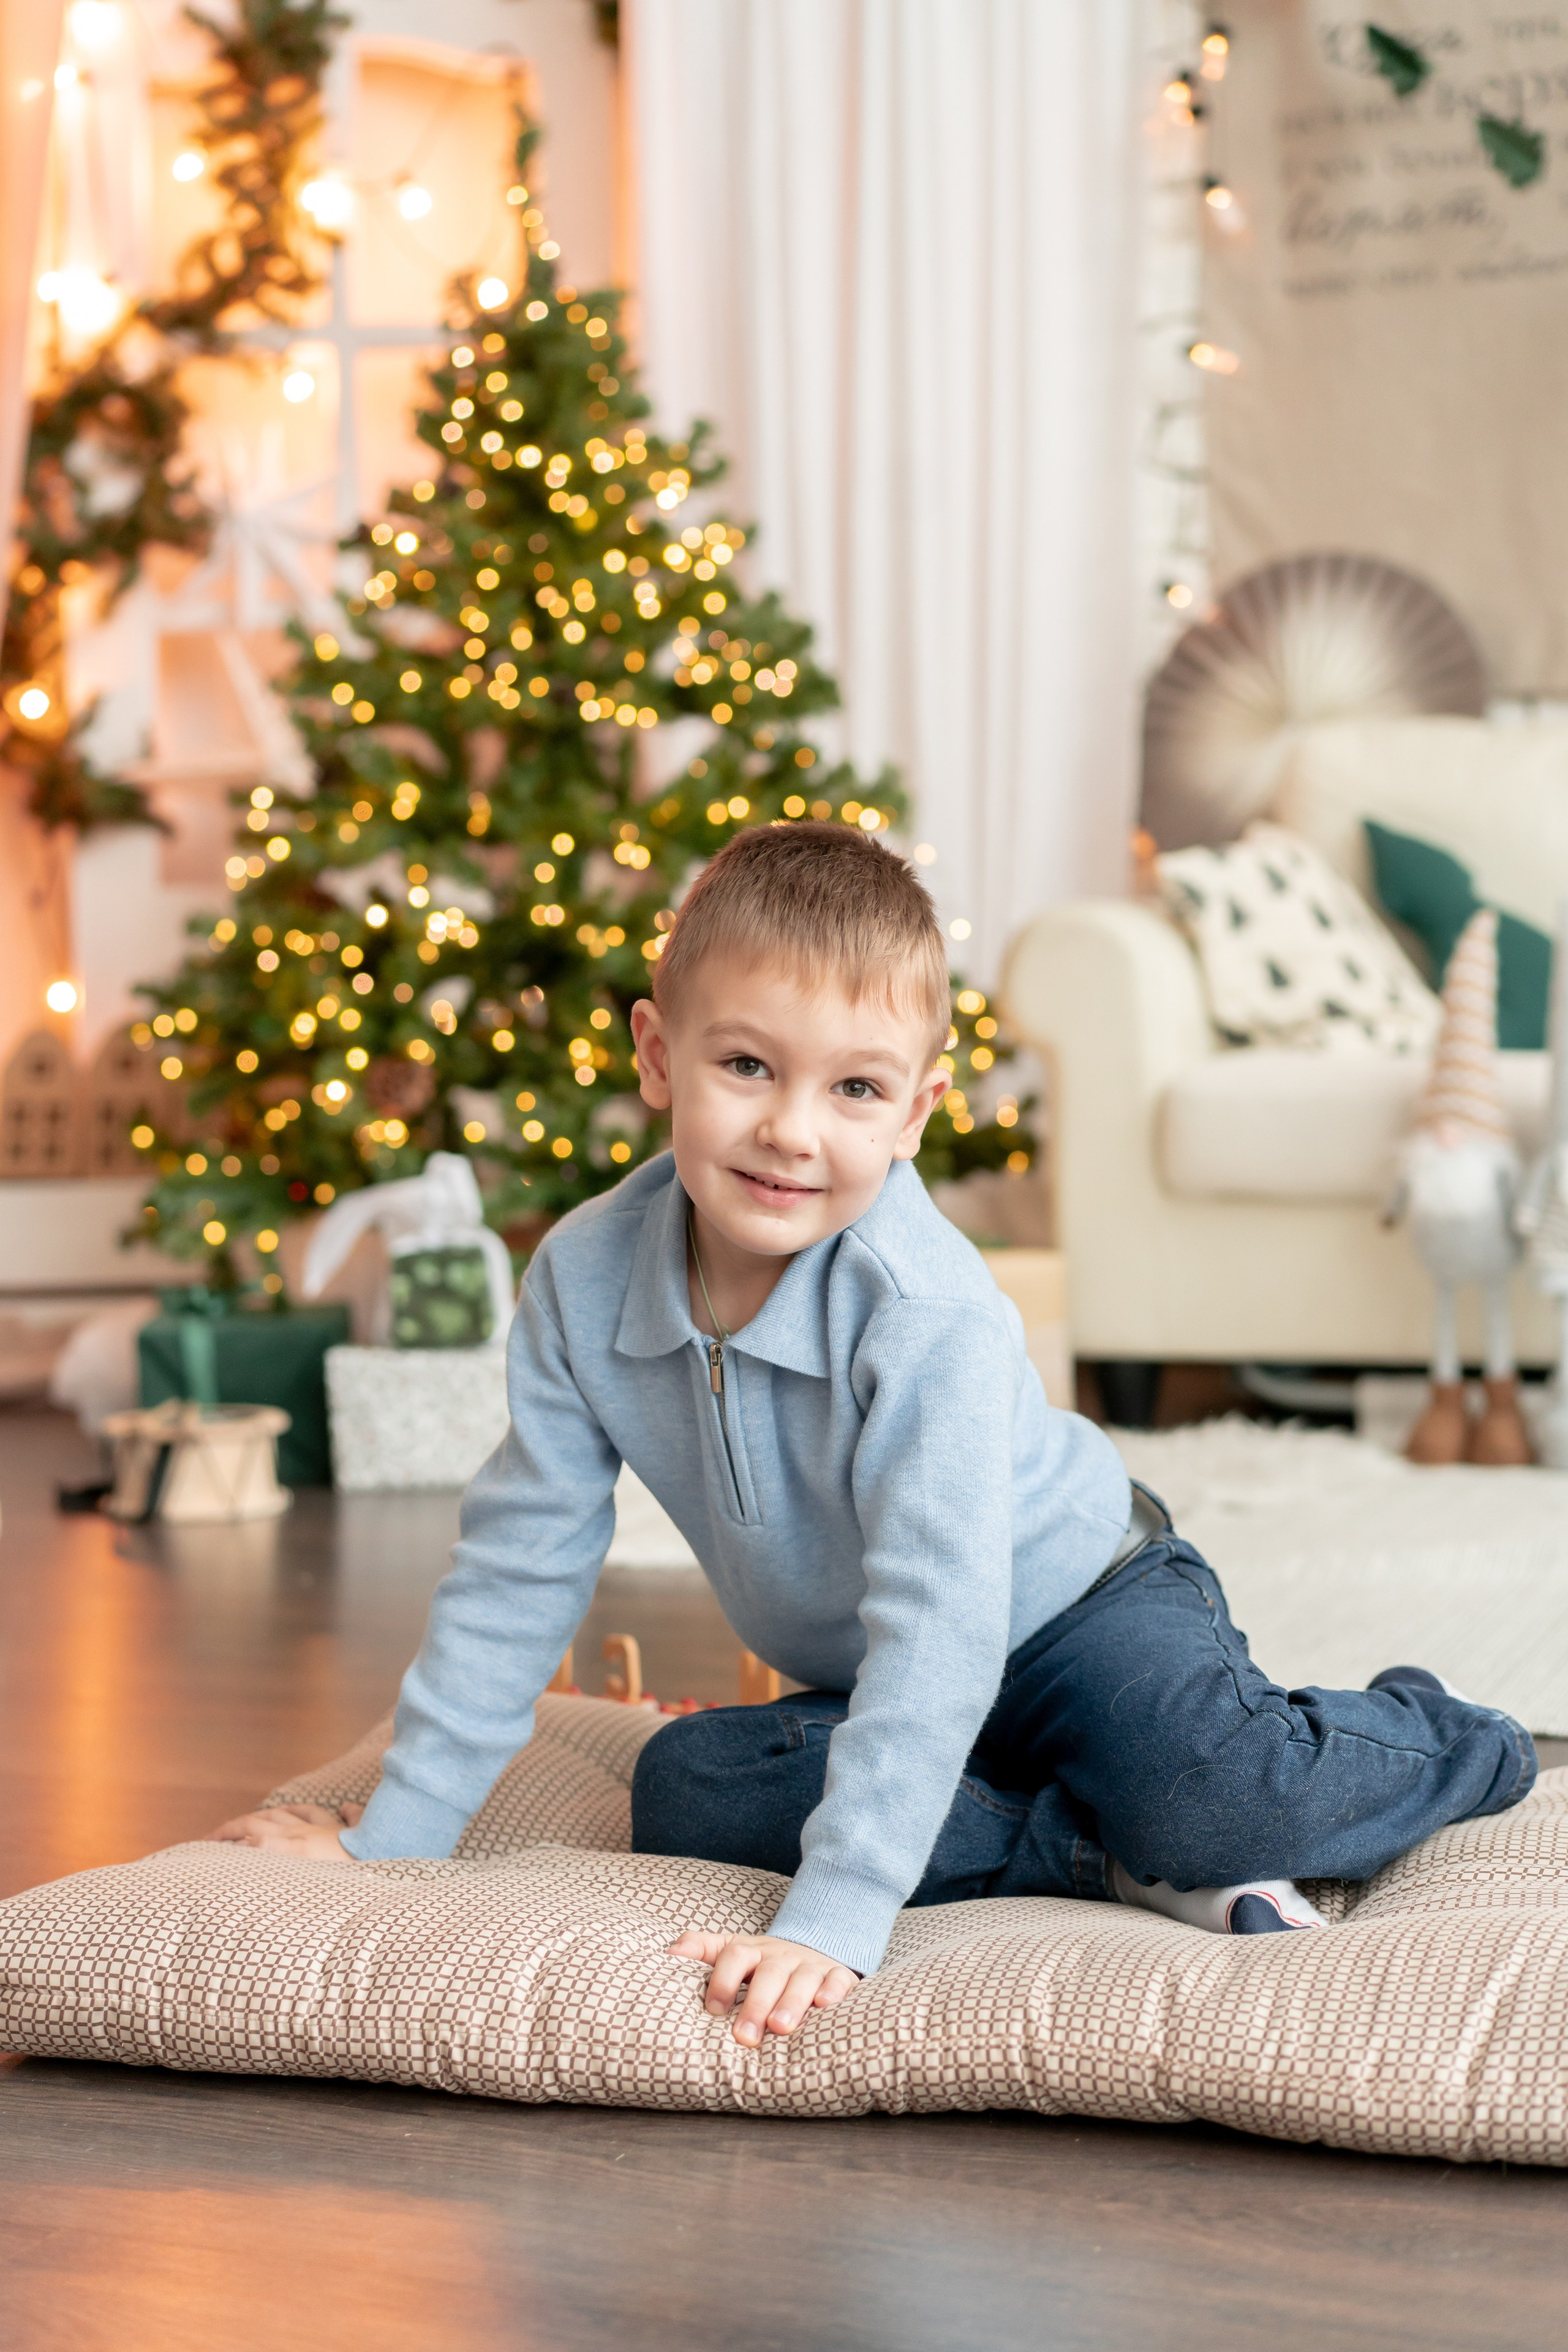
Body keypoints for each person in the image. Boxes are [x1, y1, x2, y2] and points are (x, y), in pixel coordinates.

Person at [214, 823, 1537, 2049]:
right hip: (878, 1676)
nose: (792, 1131)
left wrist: (836, 1918)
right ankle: (1098, 1854)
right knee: (685, 1788)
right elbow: (519, 1567)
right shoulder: (579, 1278)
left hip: (1079, 1609)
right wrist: (398, 1846)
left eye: (854, 1089)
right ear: (657, 1056)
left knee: (1210, 1797)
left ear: (911, 1116)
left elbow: (944, 1610)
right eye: (745, 1067)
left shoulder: (922, 1309)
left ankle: (1448, 1739)